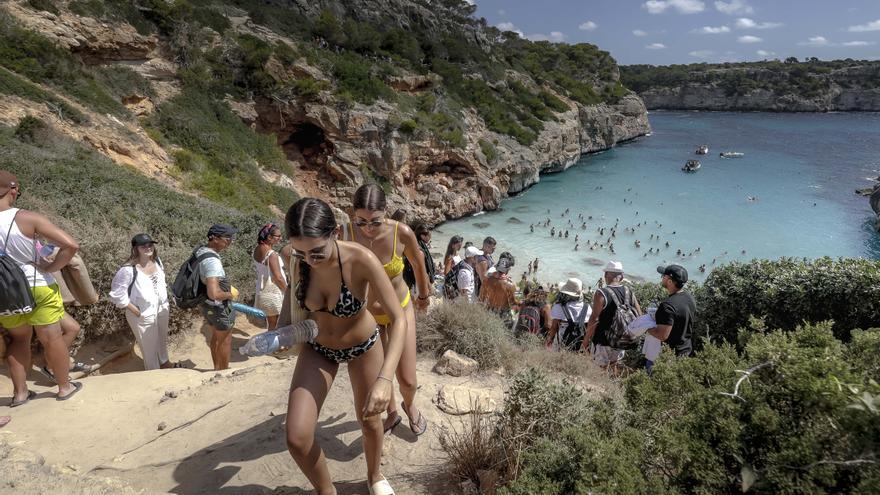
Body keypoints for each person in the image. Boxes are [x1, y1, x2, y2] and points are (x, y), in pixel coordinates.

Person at [279, 198, 406, 495]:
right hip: (318, 348)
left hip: (363, 346)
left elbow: (399, 319)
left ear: (335, 232)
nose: (308, 260)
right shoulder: (294, 257)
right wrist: (282, 329)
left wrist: (386, 381)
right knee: (297, 437)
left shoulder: (361, 260)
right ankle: (327, 491)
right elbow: (291, 288)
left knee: (370, 421)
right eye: (300, 252)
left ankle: (374, 476)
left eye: (316, 252)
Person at [346, 184, 430, 437]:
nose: (368, 229)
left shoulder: (401, 233)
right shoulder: (346, 234)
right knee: (379, 374)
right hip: (366, 316)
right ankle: (392, 413)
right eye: (361, 221)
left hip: (401, 310)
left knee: (407, 380)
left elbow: (418, 264)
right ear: (352, 214)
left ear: (386, 212)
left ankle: (410, 403)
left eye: (375, 221)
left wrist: (424, 296)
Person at [0, 170, 83, 404]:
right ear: (12, 190)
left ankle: (20, 394)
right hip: (35, 285)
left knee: (18, 340)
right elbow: (70, 245)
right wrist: (50, 267)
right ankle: (64, 387)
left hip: (4, 292)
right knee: (52, 338)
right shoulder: (27, 218)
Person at [109, 234, 175, 370]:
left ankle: (165, 363)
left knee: (162, 340)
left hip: (161, 308)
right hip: (142, 312)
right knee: (149, 348)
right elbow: (117, 294)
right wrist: (136, 311)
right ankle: (154, 374)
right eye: (143, 246)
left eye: (150, 244)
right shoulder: (128, 270)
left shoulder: (157, 262)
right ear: (136, 249)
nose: (148, 248)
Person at [582, 261, 642, 372]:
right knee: (614, 366)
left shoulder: (601, 293)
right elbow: (639, 316)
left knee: (599, 369)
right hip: (622, 340)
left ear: (605, 275)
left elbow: (594, 318)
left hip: (603, 340)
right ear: (622, 277)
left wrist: (586, 340)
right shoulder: (629, 291)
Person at [198, 224, 239, 371]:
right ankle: (223, 372)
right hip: (217, 306)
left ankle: (216, 369)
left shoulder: (201, 251)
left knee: (216, 336)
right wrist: (231, 294)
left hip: (207, 305)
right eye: (227, 238)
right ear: (214, 239)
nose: (230, 241)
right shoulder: (212, 261)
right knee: (225, 339)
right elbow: (214, 294)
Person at [647, 265, 697, 359]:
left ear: (670, 281)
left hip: (671, 355)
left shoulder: (667, 305)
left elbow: (662, 336)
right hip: (687, 349)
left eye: (663, 276)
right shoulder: (690, 298)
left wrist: (645, 327)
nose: (662, 278)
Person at [253, 222, 288, 330]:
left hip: (263, 290)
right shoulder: (271, 254)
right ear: (269, 237)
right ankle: (276, 346)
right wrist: (288, 292)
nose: (280, 238)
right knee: (278, 324)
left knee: (272, 324)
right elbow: (278, 277)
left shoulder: (257, 249)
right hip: (274, 292)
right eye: (278, 236)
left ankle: (272, 346)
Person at [545, 278, 590, 352]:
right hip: (579, 343)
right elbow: (589, 327)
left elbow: (554, 327)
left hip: (562, 341)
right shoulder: (587, 308)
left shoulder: (559, 307)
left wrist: (549, 341)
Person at [479, 255, 517, 328]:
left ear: (496, 267)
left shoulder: (486, 280)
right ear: (508, 269)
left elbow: (481, 298)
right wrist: (513, 316)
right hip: (504, 316)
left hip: (489, 311)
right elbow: (518, 302)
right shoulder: (511, 285)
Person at [402, 221, 435, 298]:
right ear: (423, 236)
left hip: (413, 280)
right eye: (429, 236)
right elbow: (423, 270)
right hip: (418, 281)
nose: (430, 237)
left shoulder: (417, 243)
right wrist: (430, 287)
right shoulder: (419, 249)